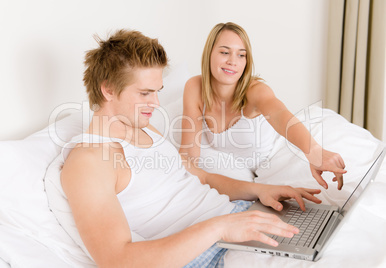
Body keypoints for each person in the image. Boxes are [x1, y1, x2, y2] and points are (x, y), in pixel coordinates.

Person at [47, 29, 322, 267]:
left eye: (157, 91)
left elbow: (198, 177)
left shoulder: (145, 129)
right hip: (209, 250)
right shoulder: (88, 161)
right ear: (107, 90)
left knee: (325, 235)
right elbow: (117, 260)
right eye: (145, 93)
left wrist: (260, 191)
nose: (156, 104)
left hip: (235, 218)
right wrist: (221, 228)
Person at [179, 22, 346, 191]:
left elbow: (280, 115)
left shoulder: (255, 91)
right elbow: (188, 157)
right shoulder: (194, 87)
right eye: (224, 52)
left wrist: (314, 150)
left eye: (241, 55)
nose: (232, 61)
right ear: (209, 53)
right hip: (261, 174)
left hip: (291, 151)